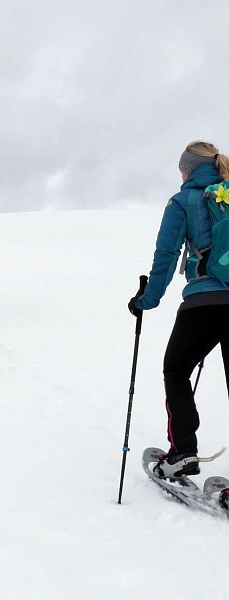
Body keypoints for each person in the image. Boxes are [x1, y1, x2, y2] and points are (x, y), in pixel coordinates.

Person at [128, 141, 229, 478]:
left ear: (188, 169)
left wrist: (146, 300)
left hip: (203, 304)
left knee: (176, 371)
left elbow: (167, 256)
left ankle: (183, 452)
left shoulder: (182, 200)